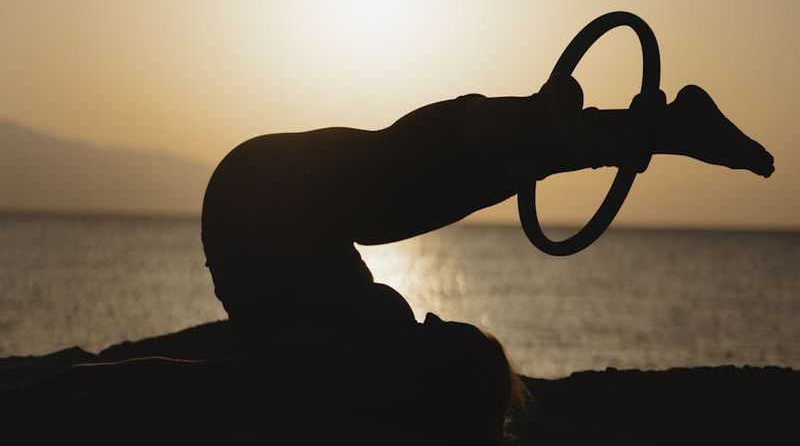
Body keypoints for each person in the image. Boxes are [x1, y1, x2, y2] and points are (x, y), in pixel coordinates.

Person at [201, 76, 773, 442]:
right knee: (393, 198)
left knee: (386, 198)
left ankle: (564, 124)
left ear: (430, 380)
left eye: (446, 331)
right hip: (272, 208)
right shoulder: (369, 362)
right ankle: (636, 130)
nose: (431, 317)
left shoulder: (342, 372)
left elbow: (207, 384)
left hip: (258, 204)